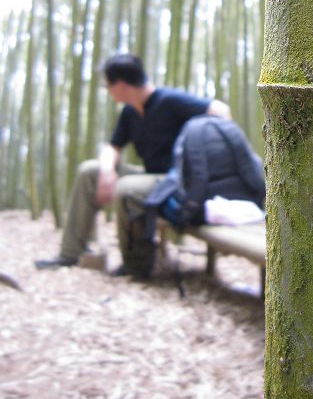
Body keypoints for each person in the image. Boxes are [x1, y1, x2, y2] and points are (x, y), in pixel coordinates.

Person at [35, 53, 231, 272]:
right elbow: (113, 146)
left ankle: (136, 263)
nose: (108, 91)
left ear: (120, 85)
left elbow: (220, 110)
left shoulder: (169, 100)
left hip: (178, 181)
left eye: (107, 85)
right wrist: (107, 171)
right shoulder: (130, 112)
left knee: (127, 188)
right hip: (152, 176)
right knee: (90, 171)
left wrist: (212, 152)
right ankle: (70, 253)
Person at [121, 115, 266, 277]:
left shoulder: (191, 130)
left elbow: (180, 179)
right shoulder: (229, 129)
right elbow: (254, 172)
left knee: (133, 190)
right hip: (247, 207)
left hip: (202, 209)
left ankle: (138, 267)